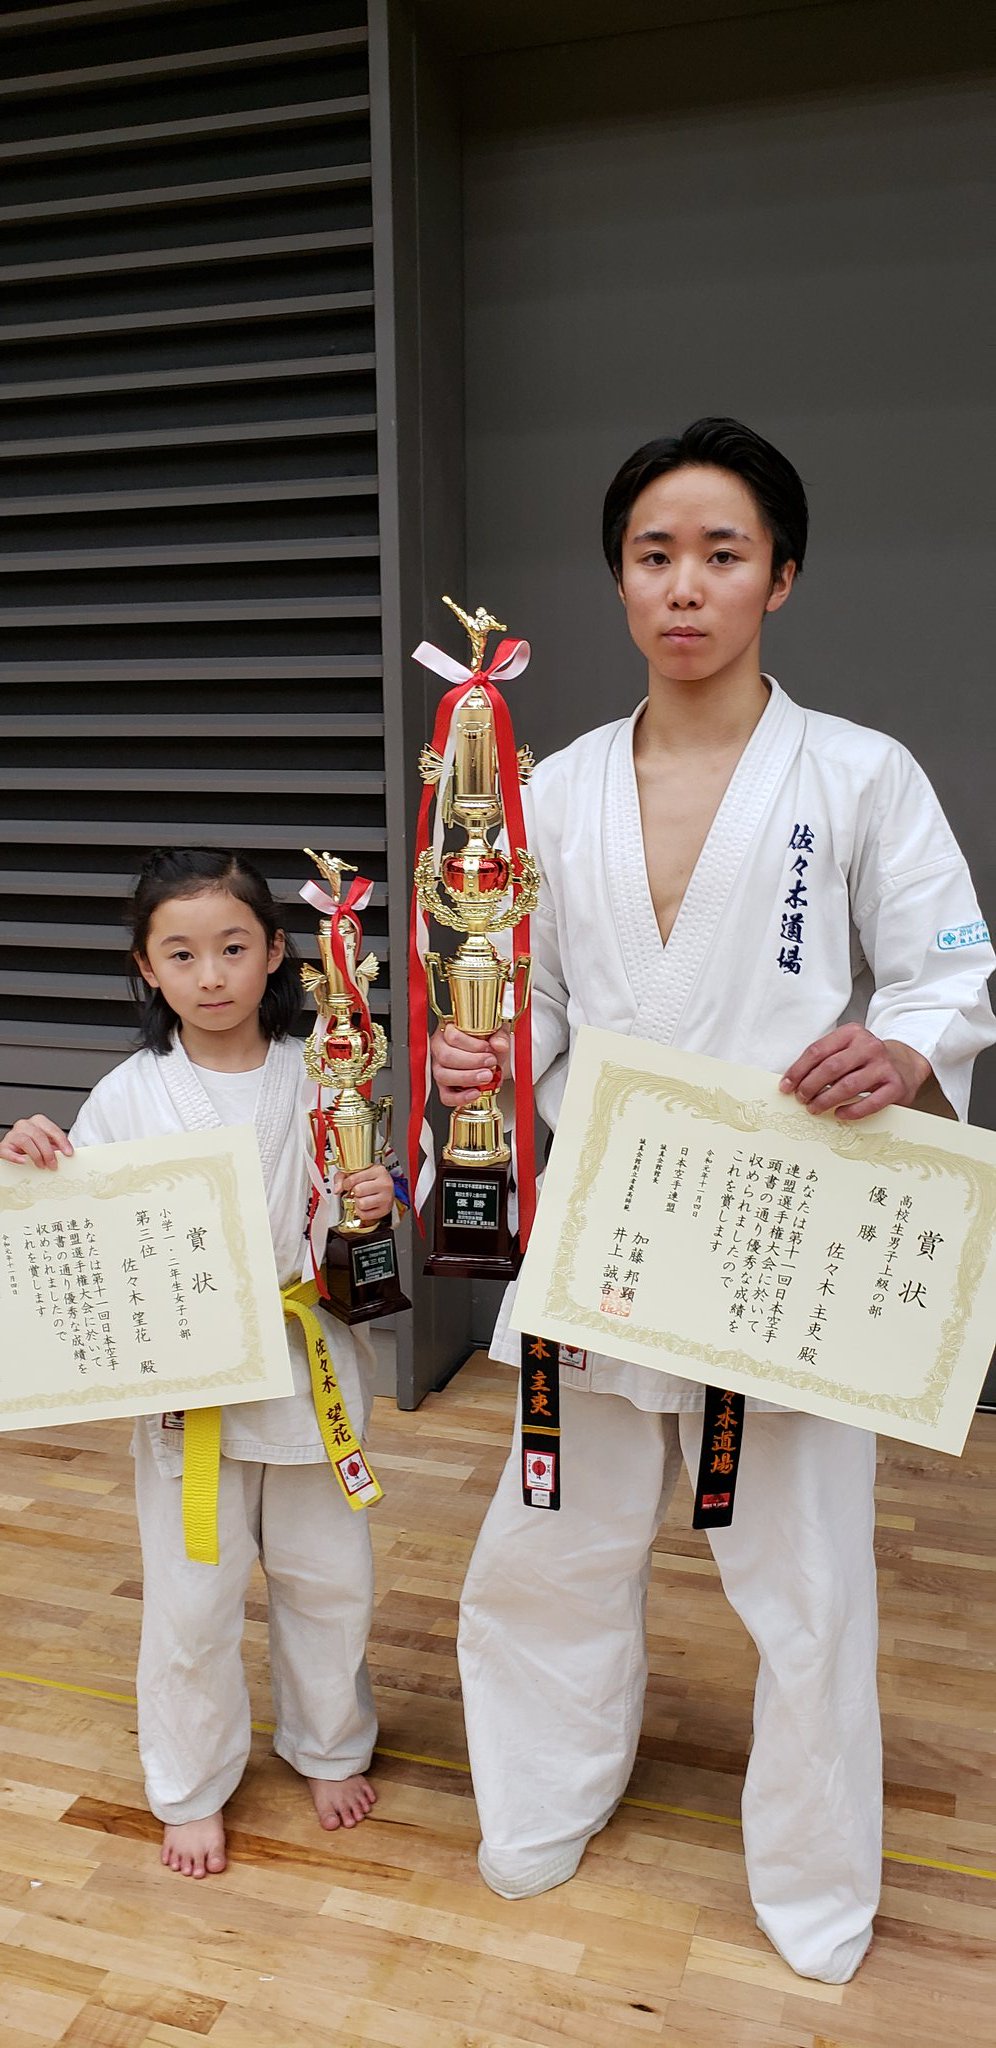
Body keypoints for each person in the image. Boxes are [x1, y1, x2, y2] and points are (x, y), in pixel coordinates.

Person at [430, 417, 996, 1984]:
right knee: (549, 1551)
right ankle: (543, 1797)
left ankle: (817, 1888)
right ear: (618, 581)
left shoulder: (858, 773)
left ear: (780, 578)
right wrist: (487, 1054)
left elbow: (951, 966)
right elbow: (532, 999)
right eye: (654, 555)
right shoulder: (549, 789)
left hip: (775, 1231)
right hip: (610, 1223)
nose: (685, 585)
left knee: (808, 1587)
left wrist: (904, 1046)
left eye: (721, 554)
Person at [1, 848, 396, 1879]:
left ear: (278, 953)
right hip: (193, 1387)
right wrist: (33, 1157)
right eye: (182, 954)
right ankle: (189, 1781)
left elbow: (390, 1180)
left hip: (309, 1368)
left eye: (233, 947)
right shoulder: (128, 1095)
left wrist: (382, 1192)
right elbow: (82, 1230)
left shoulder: (327, 1069)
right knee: (191, 1599)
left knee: (328, 1579)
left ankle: (328, 1743)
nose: (211, 975)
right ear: (146, 967)